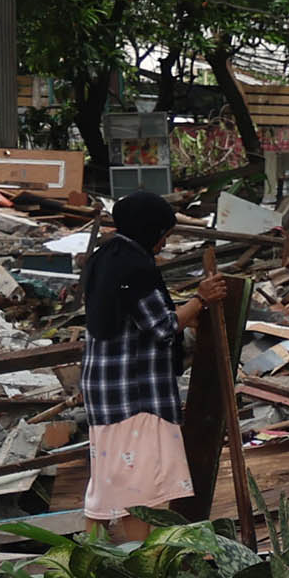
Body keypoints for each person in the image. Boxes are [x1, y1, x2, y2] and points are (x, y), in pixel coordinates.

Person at [79, 191, 228, 534]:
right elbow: (162, 326)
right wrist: (200, 299)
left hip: (106, 388)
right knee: (139, 489)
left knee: (109, 481)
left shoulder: (105, 257)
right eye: (164, 234)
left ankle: (95, 561)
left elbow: (132, 316)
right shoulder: (135, 265)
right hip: (134, 395)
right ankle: (136, 567)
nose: (164, 242)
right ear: (150, 230)